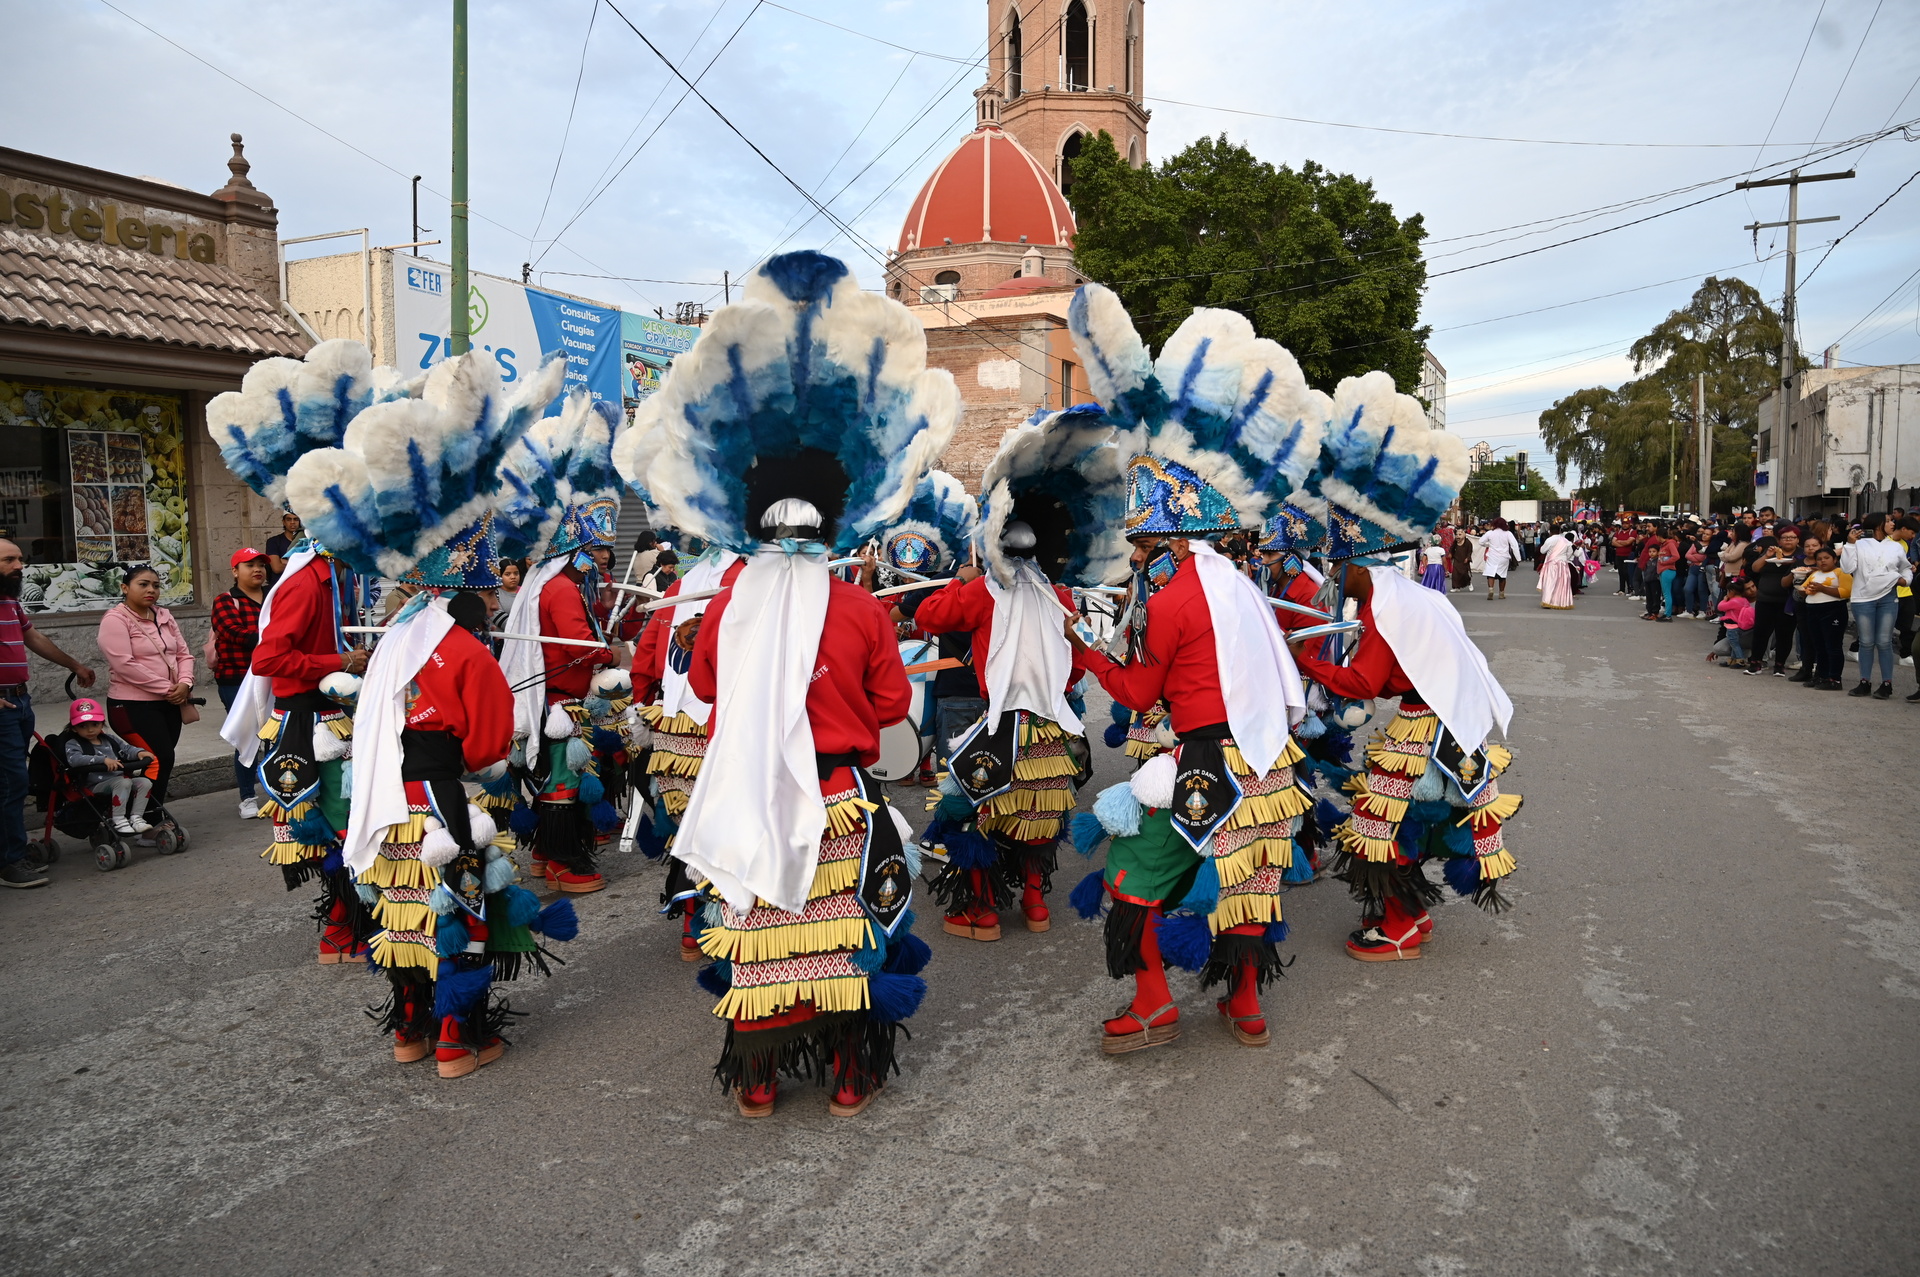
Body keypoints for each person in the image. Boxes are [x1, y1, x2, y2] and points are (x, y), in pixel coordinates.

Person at [629, 252, 941, 1119]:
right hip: (841, 793)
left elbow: (705, 688)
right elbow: (889, 712)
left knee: (761, 945)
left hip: (751, 794)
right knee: (852, 944)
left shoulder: (729, 605)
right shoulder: (861, 609)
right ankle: (849, 1076)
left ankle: (759, 1081)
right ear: (833, 528)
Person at [288, 344, 576, 1080]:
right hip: (442, 799)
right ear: (473, 596)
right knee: (457, 916)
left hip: (382, 804)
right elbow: (485, 745)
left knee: (402, 916)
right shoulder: (468, 653)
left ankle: (409, 1031)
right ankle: (456, 1040)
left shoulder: (393, 643)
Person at [497, 396, 622, 894]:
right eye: (589, 550)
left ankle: (547, 858)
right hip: (562, 703)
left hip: (552, 698)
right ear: (573, 550)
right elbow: (575, 645)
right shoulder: (563, 587)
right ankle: (566, 863)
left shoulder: (548, 585)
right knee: (563, 785)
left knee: (554, 782)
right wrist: (606, 654)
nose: (595, 558)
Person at [0, 539, 97, 888]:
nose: (19, 565)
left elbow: (33, 638)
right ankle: (9, 861)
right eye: (9, 560)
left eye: (20, 559)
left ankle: (12, 849)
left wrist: (75, 664)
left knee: (12, 782)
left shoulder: (9, 601)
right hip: (3, 705)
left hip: (20, 703)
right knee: (13, 782)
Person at [97, 564, 193, 835]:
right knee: (158, 758)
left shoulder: (163, 615)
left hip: (170, 702)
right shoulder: (115, 619)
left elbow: (184, 654)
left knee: (163, 758)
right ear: (125, 588)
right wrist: (168, 688)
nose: (151, 590)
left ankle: (139, 814)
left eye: (156, 584)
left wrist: (185, 683)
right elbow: (124, 664)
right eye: (143, 584)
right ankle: (148, 821)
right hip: (131, 706)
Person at [211, 549, 267, 818]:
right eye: (250, 565)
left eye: (261, 565)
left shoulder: (275, 598)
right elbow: (236, 634)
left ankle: (282, 789)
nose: (257, 569)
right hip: (237, 679)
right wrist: (276, 637)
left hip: (273, 677)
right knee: (247, 738)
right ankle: (247, 797)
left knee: (280, 735)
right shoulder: (225, 601)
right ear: (235, 571)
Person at [1841, 512, 1912, 698]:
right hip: (1863, 598)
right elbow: (1847, 568)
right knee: (1866, 641)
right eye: (1888, 521)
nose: (1892, 523)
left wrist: (1906, 580)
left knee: (1884, 642)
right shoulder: (1859, 544)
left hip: (1888, 597)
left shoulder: (1896, 547)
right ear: (1879, 524)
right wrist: (1849, 544)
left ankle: (1887, 684)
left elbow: (1905, 567)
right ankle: (1864, 682)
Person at [61, 698, 154, 835]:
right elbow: (75, 760)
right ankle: (119, 819)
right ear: (74, 728)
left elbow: (126, 749)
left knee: (144, 782)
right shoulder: (74, 744)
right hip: (95, 785)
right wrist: (103, 760)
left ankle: (136, 817)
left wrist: (140, 752)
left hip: (120, 781)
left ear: (102, 724)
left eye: (94, 724)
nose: (90, 729)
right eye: (83, 726)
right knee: (123, 782)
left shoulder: (110, 740)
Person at [1798, 547, 1851, 689]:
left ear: (1834, 559)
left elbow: (1846, 592)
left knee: (1832, 646)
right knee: (1819, 646)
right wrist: (1805, 590)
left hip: (1832, 610)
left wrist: (1822, 588)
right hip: (1813, 610)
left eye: (1826, 558)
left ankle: (1834, 678)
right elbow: (1803, 590)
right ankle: (1821, 676)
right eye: (1819, 559)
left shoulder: (1841, 572)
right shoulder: (1815, 573)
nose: (1822, 561)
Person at [1708, 581, 1756, 668]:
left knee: (1734, 644)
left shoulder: (1734, 601)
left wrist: (1725, 599)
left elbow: (1720, 607)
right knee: (1734, 643)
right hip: (1740, 626)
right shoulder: (1744, 600)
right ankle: (1733, 660)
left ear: (1732, 591)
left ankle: (1740, 660)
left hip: (1732, 626)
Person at [1481, 519, 1521, 599]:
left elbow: (1480, 542)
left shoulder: (1490, 533)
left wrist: (1488, 545)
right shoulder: (1508, 533)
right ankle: (1501, 593)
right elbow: (1514, 545)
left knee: (1491, 573)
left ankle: (1491, 589)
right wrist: (1518, 558)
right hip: (1504, 557)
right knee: (1502, 575)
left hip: (1492, 556)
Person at [1537, 527, 1575, 609]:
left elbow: (1542, 551)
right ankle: (1560, 602)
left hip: (1552, 563)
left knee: (1550, 582)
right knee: (1562, 584)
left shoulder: (1549, 540)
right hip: (1563, 564)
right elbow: (1569, 553)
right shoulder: (1566, 541)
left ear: (1550, 532)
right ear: (1559, 531)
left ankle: (1547, 601)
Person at [264, 510, 302, 578]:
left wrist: (285, 562)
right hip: (280, 585)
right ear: (284, 522)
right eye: (289, 519)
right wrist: (303, 564)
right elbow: (277, 568)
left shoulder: (306, 541)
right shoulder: (273, 541)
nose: (292, 522)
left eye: (296, 519)